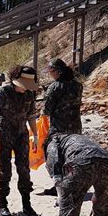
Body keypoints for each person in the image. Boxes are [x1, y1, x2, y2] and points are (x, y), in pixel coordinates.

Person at [0, 66, 40, 216]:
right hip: (3, 136)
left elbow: (31, 116)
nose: (26, 89)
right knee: (5, 171)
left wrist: (35, 135)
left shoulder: (29, 95)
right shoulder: (2, 93)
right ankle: (3, 205)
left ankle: (27, 205)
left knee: (24, 170)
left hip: (22, 136)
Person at [45, 134, 108, 216]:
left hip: (82, 162)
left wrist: (60, 185)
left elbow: (53, 160)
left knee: (71, 203)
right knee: (103, 197)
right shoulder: (78, 138)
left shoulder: (53, 141)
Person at [42, 58, 83, 196]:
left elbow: (47, 110)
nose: (50, 74)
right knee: (73, 156)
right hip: (76, 127)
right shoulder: (78, 85)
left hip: (59, 129)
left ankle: (59, 186)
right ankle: (73, 183)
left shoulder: (55, 87)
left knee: (54, 156)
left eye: (51, 71)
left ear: (57, 72)